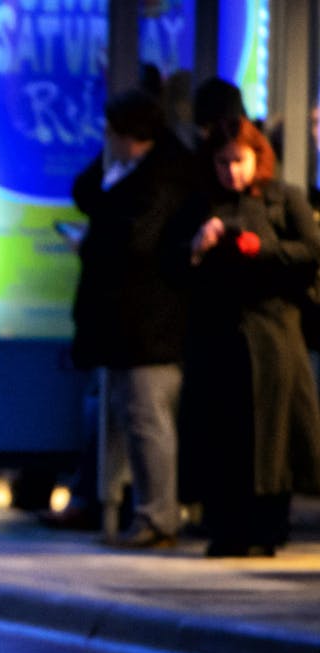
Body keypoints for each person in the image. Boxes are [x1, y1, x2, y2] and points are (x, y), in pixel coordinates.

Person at [66, 88, 198, 548]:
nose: (107, 141)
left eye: (113, 134)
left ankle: (158, 516)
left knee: (147, 421)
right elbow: (85, 193)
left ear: (131, 135)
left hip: (149, 324)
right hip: (128, 324)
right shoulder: (134, 170)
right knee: (127, 418)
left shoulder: (162, 179)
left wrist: (93, 243)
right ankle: (129, 509)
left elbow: (135, 242)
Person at [182, 118, 320, 557]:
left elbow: (311, 251)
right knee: (225, 431)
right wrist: (199, 247)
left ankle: (267, 525)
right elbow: (173, 263)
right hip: (221, 335)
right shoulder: (203, 203)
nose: (232, 172)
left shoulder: (285, 198)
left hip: (274, 333)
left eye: (239, 162)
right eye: (222, 163)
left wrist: (261, 248)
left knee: (272, 433)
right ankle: (229, 527)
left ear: (257, 157)